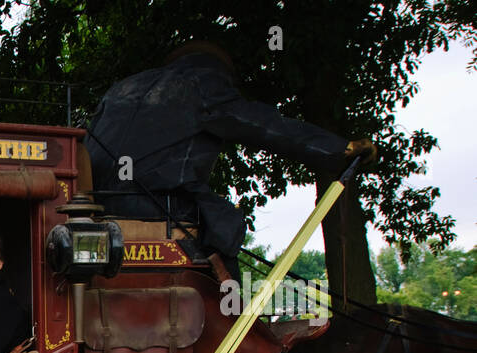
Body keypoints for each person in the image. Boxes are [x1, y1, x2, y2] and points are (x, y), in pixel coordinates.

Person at [84, 40, 376, 279]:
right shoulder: (203, 82)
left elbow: (86, 149)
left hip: (96, 215)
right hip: (164, 213)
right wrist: (340, 150)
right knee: (223, 231)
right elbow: (266, 127)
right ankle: (233, 328)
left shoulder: (120, 89)